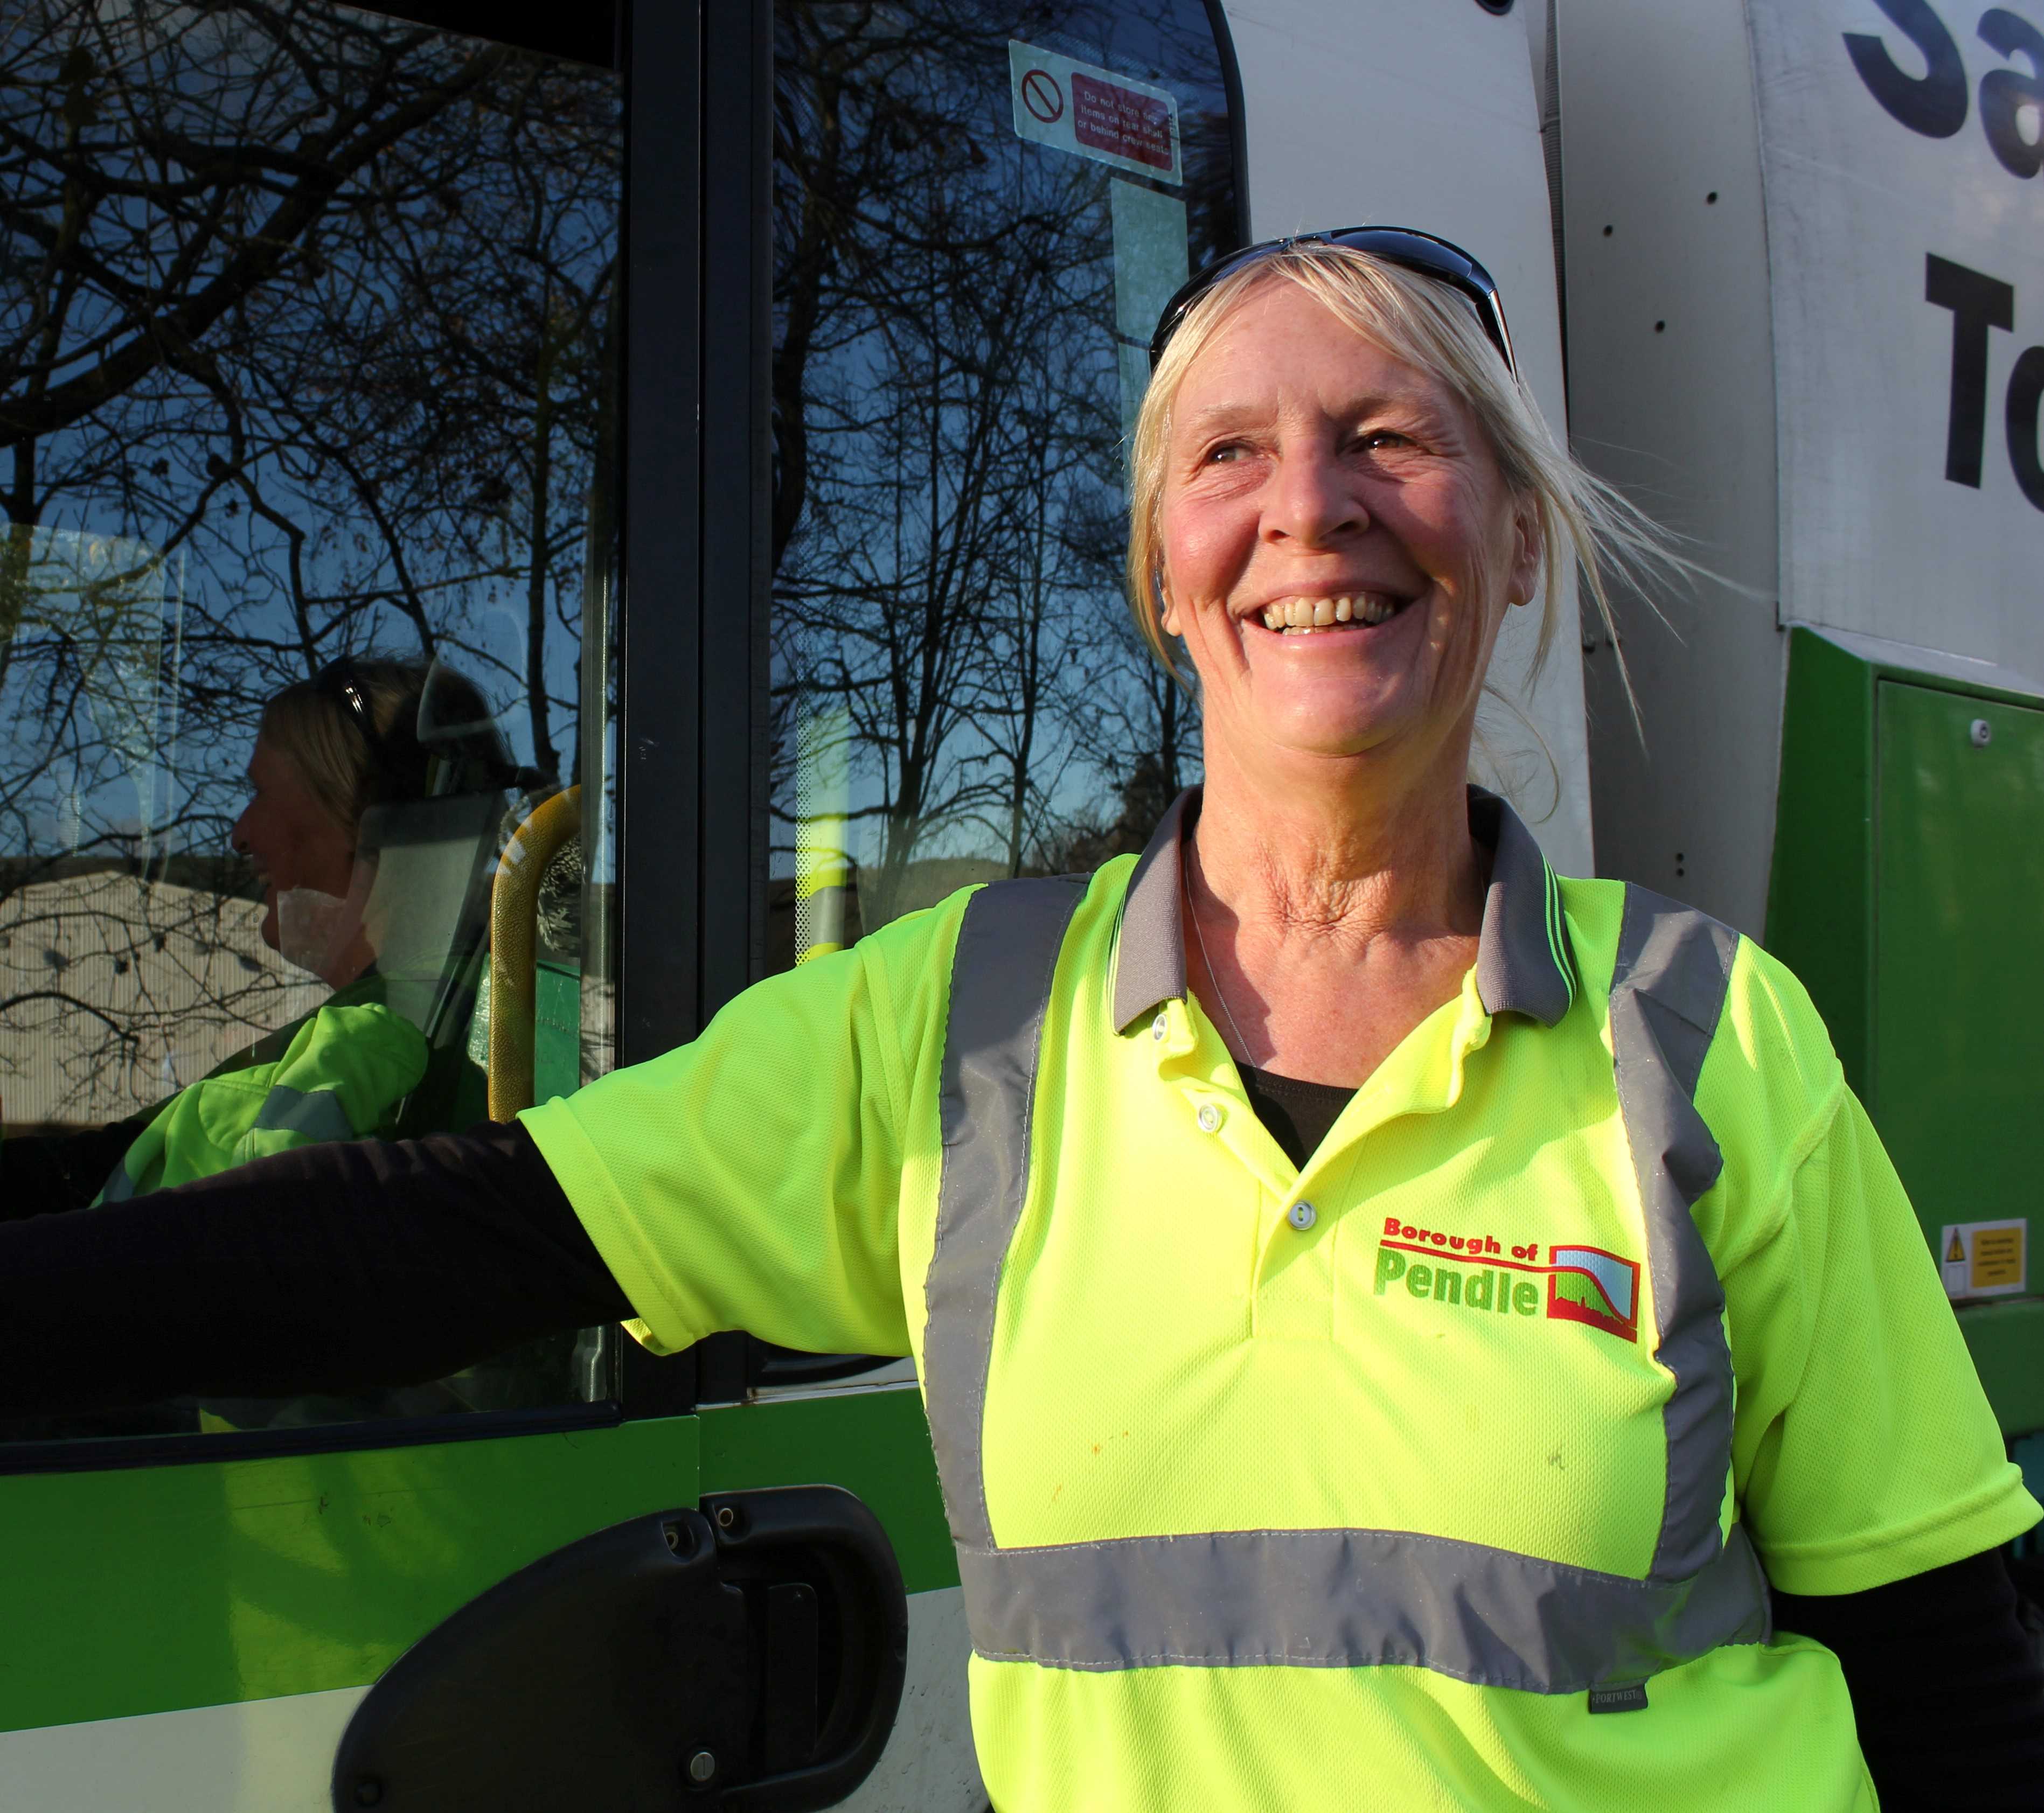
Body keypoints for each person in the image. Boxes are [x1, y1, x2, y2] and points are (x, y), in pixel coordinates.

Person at [3, 231, 2040, 1810]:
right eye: (1228, 455)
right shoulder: (963, 1026)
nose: (1307, 507)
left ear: (1511, 534)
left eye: (1389, 439)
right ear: (1164, 574)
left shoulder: (1706, 1041)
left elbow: (1944, 1679)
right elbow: (443, 1237)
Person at [3, 657, 516, 1215]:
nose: (240, 834)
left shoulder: (383, 1045)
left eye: (262, 793)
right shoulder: (438, 1020)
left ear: (368, 821)